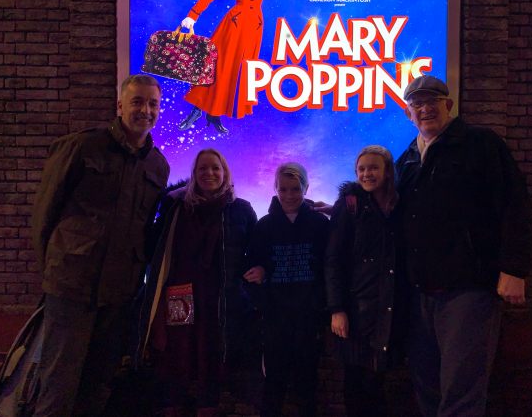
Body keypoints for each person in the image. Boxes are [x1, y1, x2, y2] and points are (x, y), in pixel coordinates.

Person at [30, 74, 170, 416]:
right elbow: (45, 216)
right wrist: (54, 271)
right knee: (57, 383)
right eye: (137, 102)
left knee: (98, 384)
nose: (145, 110)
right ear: (120, 105)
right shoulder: (81, 147)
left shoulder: (158, 165)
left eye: (153, 104)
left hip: (119, 293)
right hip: (72, 286)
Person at [396, 75, 532, 416]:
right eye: (418, 103)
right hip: (420, 292)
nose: (426, 108)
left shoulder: (481, 144)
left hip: (468, 289)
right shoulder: (407, 160)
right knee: (426, 384)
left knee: (462, 389)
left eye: (433, 101)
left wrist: (514, 269)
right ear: (408, 113)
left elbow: (516, 204)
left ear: (449, 105)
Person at [135, 148, 257, 417]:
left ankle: (207, 409)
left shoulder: (241, 210)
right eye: (203, 168)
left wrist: (257, 272)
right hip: (178, 295)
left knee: (210, 357)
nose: (209, 173)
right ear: (193, 174)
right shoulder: (176, 208)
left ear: (225, 172)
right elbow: (153, 246)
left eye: (215, 168)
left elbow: (255, 251)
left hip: (219, 299)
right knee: (175, 357)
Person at [324, 145, 409, 417]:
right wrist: (337, 309)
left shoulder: (401, 205)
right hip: (356, 309)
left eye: (373, 168)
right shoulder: (350, 204)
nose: (366, 173)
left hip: (390, 309)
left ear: (387, 171)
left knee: (378, 382)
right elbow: (333, 260)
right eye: (361, 169)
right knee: (356, 383)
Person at [244, 162, 329, 417]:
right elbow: (251, 267)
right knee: (273, 384)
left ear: (306, 188)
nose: (289, 195)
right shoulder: (264, 226)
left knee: (308, 384)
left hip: (309, 317)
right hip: (275, 319)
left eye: (295, 189)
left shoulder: (320, 224)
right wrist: (262, 292)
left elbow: (330, 267)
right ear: (276, 188)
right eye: (284, 189)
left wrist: (321, 307)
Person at [177, 0, 296, 134]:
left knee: (237, 71)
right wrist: (193, 15)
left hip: (253, 28)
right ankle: (197, 109)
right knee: (217, 67)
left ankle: (214, 114)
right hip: (233, 26)